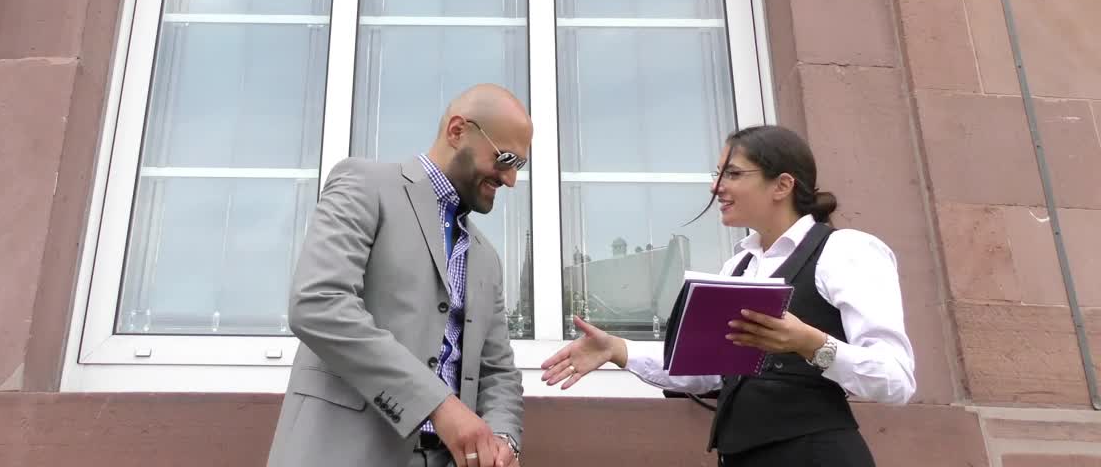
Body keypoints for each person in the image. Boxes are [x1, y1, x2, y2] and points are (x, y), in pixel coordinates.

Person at [540, 125, 915, 466]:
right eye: (718, 174)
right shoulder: (737, 267)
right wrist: (616, 349)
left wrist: (811, 343)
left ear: (782, 185)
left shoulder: (846, 250)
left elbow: (896, 379)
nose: (716, 186)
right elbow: (705, 367)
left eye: (733, 174)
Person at [267, 84, 530, 467]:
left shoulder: (487, 257)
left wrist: (503, 439)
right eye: (505, 158)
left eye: (518, 166)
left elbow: (498, 372)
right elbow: (318, 304)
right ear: (457, 131)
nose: (510, 179)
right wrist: (438, 404)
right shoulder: (363, 184)